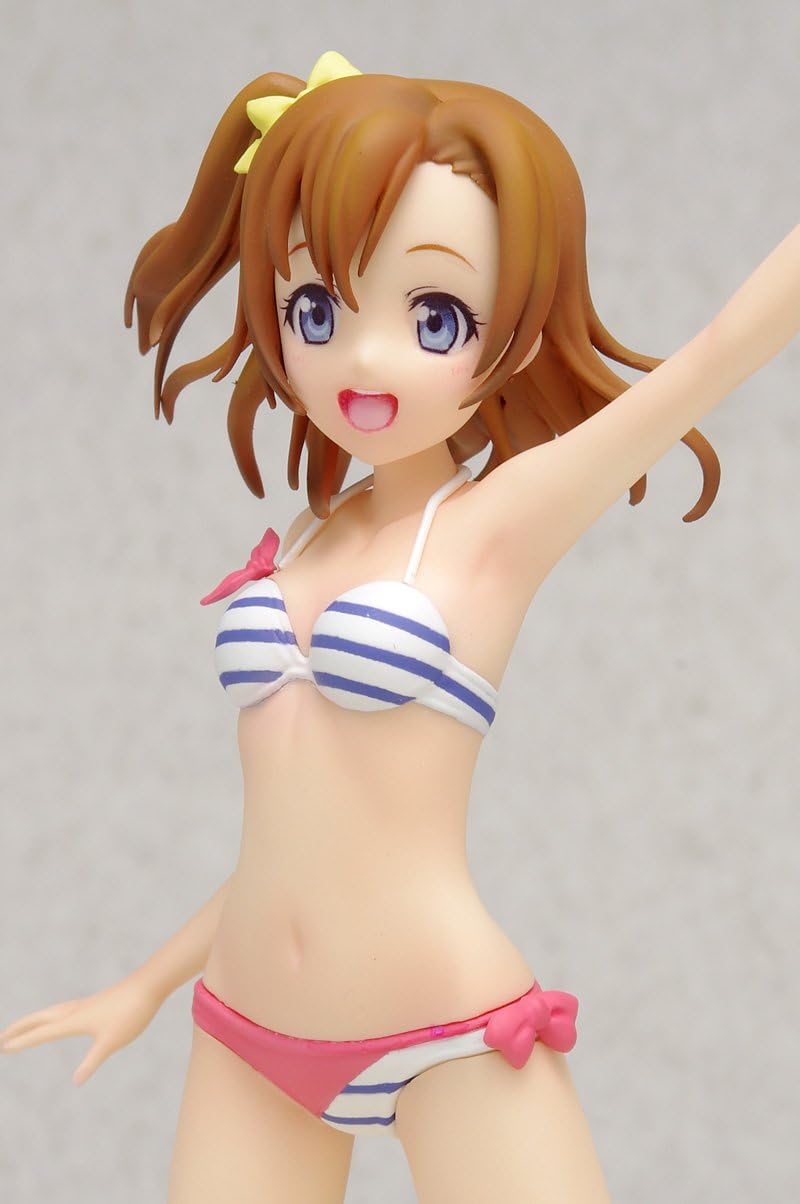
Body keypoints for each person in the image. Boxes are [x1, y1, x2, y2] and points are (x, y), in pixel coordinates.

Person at [2, 51, 797, 1204]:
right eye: (315, 309)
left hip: (447, 1030)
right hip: (243, 1031)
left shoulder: (495, 526)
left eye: (432, 315)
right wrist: (147, 981)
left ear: (515, 331)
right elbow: (298, 836)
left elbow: (719, 349)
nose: (362, 359)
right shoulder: (307, 533)